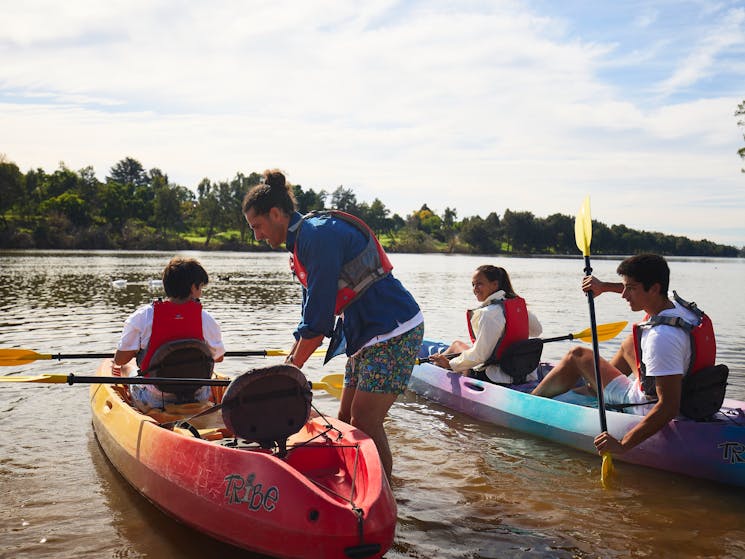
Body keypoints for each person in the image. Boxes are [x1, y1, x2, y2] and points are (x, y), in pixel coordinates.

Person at [242, 169, 423, 482]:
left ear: (276, 214)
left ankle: (386, 496)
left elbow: (319, 323)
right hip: (365, 332)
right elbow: (307, 322)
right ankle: (352, 485)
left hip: (394, 328)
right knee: (344, 419)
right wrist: (288, 365)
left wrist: (287, 375)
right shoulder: (301, 243)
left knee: (365, 419)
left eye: (257, 226)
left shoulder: (317, 236)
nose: (256, 236)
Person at [531, 253, 714, 456]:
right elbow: (636, 287)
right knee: (630, 343)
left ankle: (530, 404)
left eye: (631, 289)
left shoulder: (661, 338)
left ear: (654, 289)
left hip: (642, 406)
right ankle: (596, 388)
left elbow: (669, 407)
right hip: (689, 392)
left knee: (577, 354)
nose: (624, 295)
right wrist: (602, 287)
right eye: (625, 287)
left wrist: (622, 445)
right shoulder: (678, 307)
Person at [113, 256, 225, 412]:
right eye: (200, 287)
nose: (201, 292)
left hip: (156, 398)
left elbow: (120, 359)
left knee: (125, 367)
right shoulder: (206, 319)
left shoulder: (142, 316)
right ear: (193, 288)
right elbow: (218, 357)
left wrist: (138, 352)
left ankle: (135, 406)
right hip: (198, 394)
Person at [429, 265, 543, 384]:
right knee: (463, 350)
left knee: (457, 345)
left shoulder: (489, 313)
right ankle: (437, 365)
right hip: (523, 372)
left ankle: (433, 370)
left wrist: (450, 364)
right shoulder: (517, 307)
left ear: (494, 284)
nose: (475, 289)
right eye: (473, 285)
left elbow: (480, 356)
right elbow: (537, 330)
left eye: (479, 284)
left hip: (494, 377)